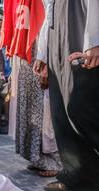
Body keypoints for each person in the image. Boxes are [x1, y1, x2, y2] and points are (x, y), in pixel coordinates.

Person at [34, 0, 99, 191]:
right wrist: (42, 54)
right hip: (56, 39)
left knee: (81, 106)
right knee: (60, 110)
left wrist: (95, 41)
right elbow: (49, 15)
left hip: (78, 30)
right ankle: (80, 175)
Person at [16, 43, 62, 178]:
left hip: (40, 56)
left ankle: (56, 162)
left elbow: (46, 31)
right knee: (31, 112)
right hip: (28, 57)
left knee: (44, 111)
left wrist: (46, 62)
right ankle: (37, 156)